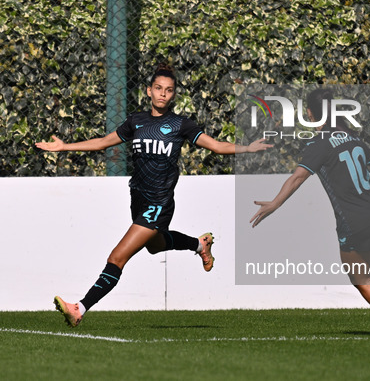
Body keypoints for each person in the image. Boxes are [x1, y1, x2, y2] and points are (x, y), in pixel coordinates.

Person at [36, 63, 272, 327]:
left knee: (117, 257)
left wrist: (248, 149)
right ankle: (199, 244)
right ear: (149, 91)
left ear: (173, 95)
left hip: (159, 201)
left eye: (169, 90)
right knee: (155, 246)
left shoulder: (180, 124)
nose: (163, 94)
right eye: (158, 88)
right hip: (137, 196)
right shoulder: (136, 122)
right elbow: (103, 142)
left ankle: (79, 308)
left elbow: (216, 146)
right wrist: (65, 146)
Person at [250, 88, 370, 337]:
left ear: (310, 114)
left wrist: (275, 203)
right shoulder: (352, 138)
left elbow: (298, 178)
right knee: (369, 271)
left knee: (360, 280)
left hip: (353, 222)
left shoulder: (318, 144)